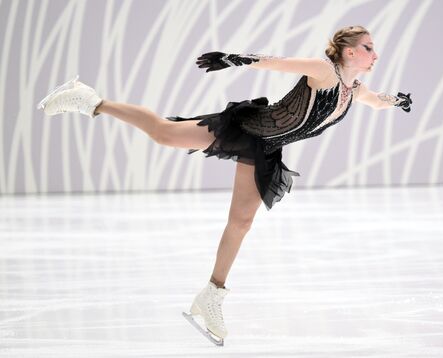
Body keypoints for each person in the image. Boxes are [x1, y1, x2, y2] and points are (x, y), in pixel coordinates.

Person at [36, 25, 412, 344]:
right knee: (164, 134)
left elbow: (375, 101)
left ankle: (211, 294)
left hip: (265, 146)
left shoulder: (352, 88)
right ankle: (89, 100)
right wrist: (234, 58)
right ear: (347, 51)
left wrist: (396, 100)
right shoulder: (324, 70)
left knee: (242, 222)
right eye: (368, 47)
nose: (374, 53)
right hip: (248, 127)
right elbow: (277, 63)